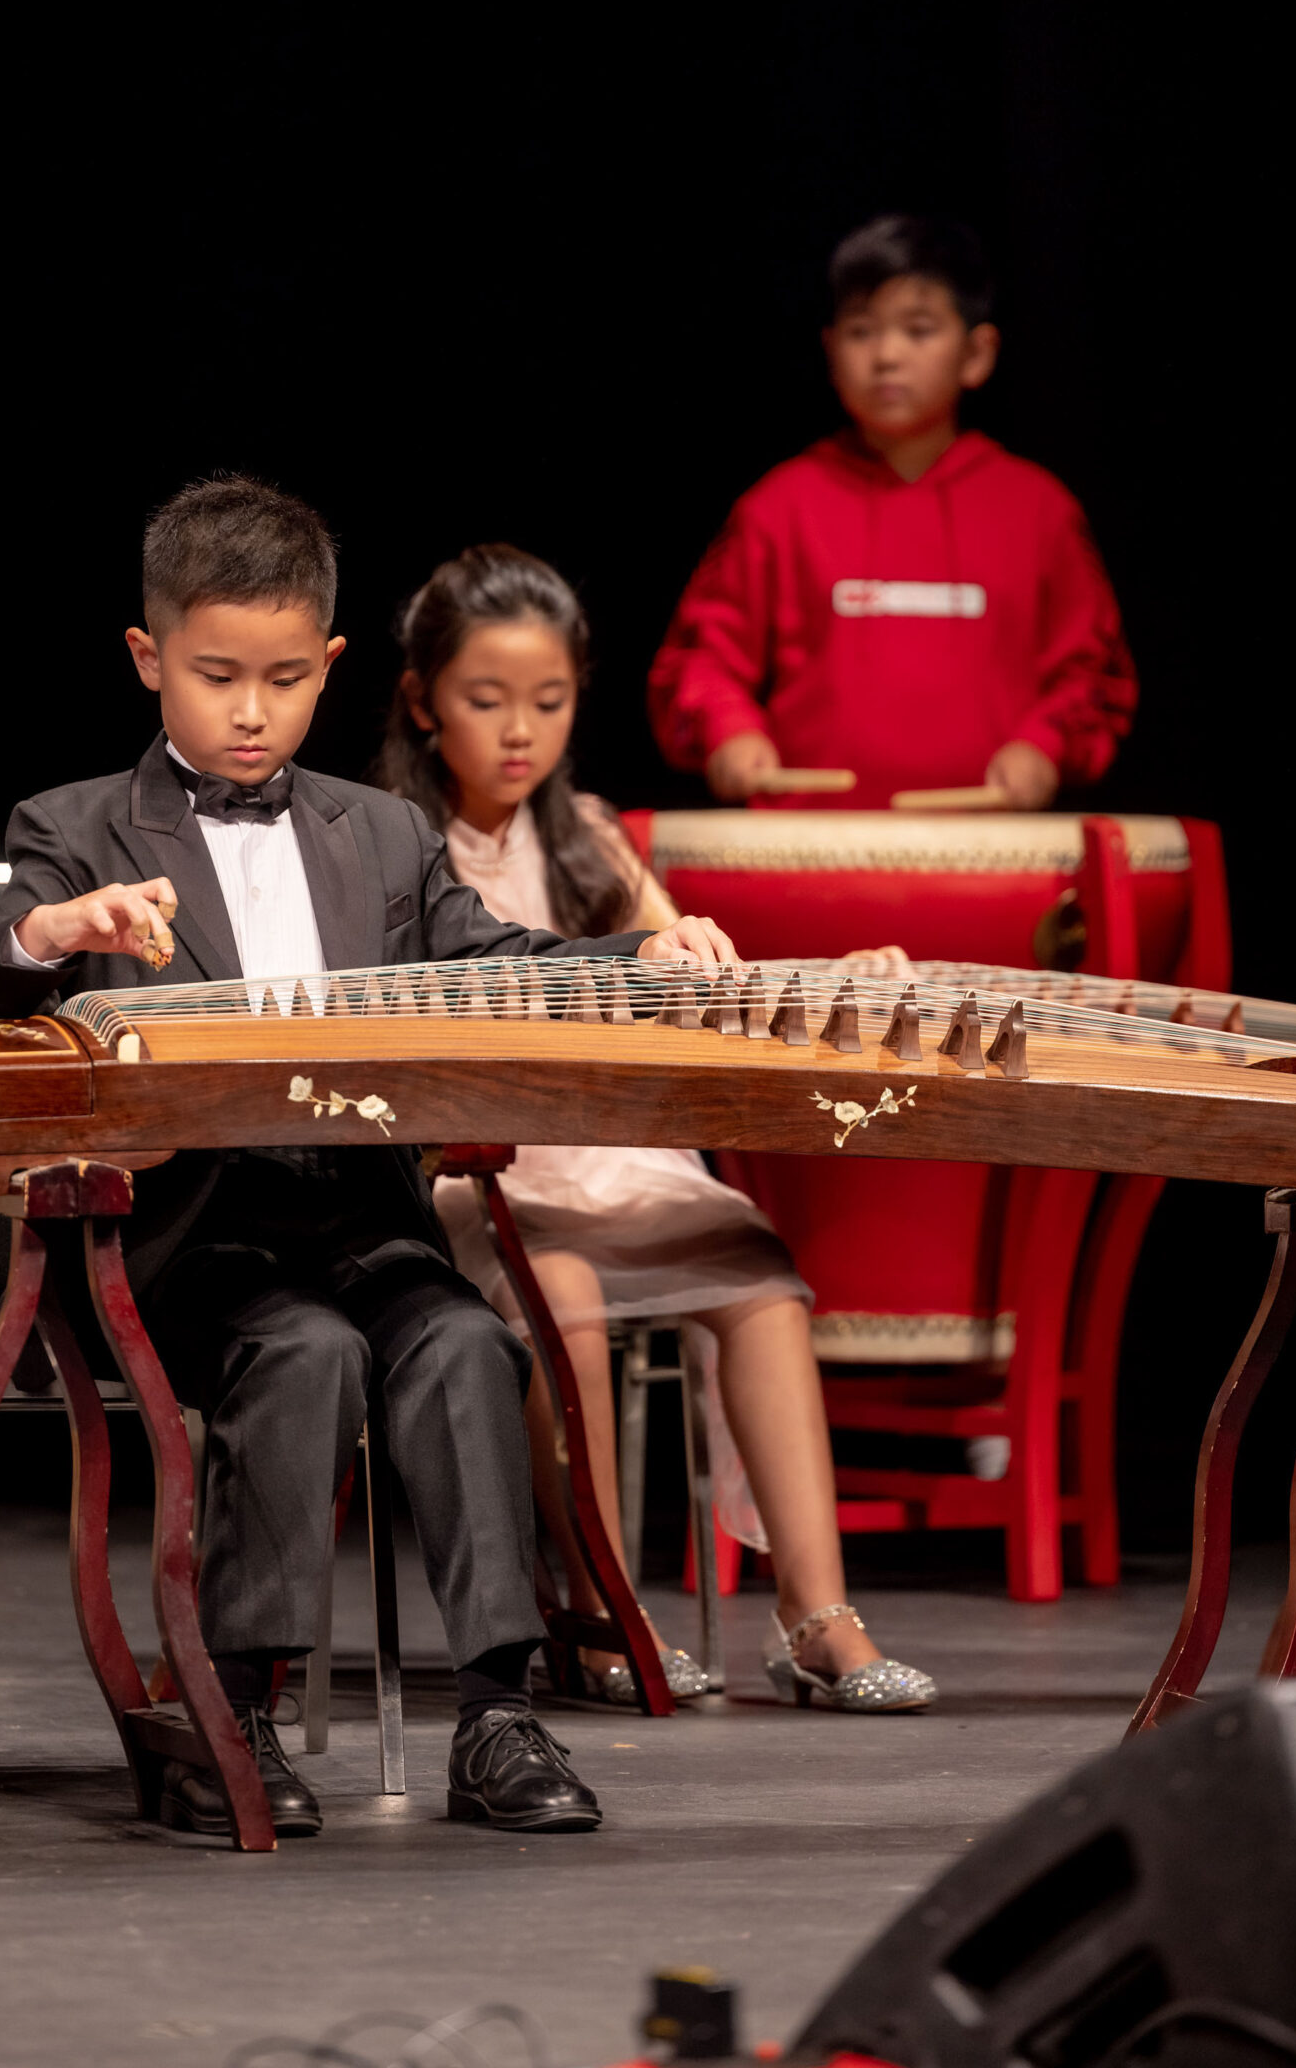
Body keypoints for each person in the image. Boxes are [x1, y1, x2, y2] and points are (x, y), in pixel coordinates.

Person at [0, 475, 739, 1841]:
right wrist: (50, 935)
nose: (251, 712)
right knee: (302, 1352)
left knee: (466, 1343)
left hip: (356, 1219)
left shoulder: (383, 833)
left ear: (332, 663)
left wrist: (636, 956)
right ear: (147, 658)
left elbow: (493, 962)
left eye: (287, 678)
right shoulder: (71, 828)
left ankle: (495, 1712)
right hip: (178, 1238)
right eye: (218, 677)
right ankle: (232, 1709)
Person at [377, 542, 938, 1714]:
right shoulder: (388, 842)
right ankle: (601, 1610)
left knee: (758, 1273)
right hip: (483, 1168)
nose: (520, 731)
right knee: (563, 1292)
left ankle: (817, 1616)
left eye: (549, 701)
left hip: (620, 1154)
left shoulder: (590, 834)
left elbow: (693, 976)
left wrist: (829, 977)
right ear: (424, 701)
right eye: (486, 700)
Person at [647, 213, 1137, 811]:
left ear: (977, 353)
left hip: (993, 849)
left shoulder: (1039, 510)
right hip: (808, 847)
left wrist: (1045, 745)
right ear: (830, 351)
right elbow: (700, 660)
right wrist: (730, 730)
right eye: (861, 331)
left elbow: (1093, 674)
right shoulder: (778, 507)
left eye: (918, 330)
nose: (886, 355)